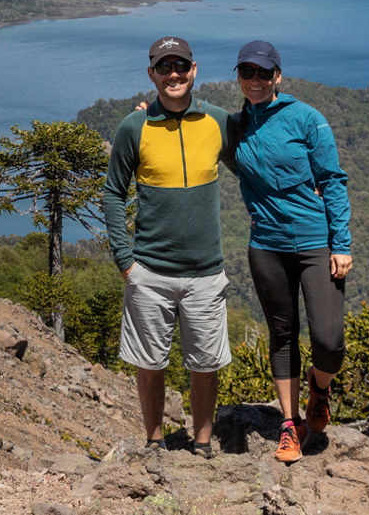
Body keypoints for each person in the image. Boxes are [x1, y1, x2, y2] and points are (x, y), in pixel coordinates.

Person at [102, 36, 232, 459]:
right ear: (151, 74)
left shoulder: (217, 121)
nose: (173, 74)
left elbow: (255, 164)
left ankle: (203, 441)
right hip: (150, 270)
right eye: (164, 67)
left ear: (194, 70)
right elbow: (112, 193)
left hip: (206, 270)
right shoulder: (133, 127)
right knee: (150, 361)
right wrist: (126, 261)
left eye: (180, 66)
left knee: (205, 363)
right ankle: (154, 440)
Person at [224, 40, 351, 464]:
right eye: (247, 73)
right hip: (266, 246)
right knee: (282, 335)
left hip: (316, 244)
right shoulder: (235, 126)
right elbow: (191, 116)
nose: (255, 81)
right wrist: (149, 112)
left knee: (329, 340)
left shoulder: (306, 119)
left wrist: (342, 244)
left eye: (264, 73)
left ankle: (320, 387)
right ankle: (289, 426)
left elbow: (332, 179)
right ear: (239, 78)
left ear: (278, 76)